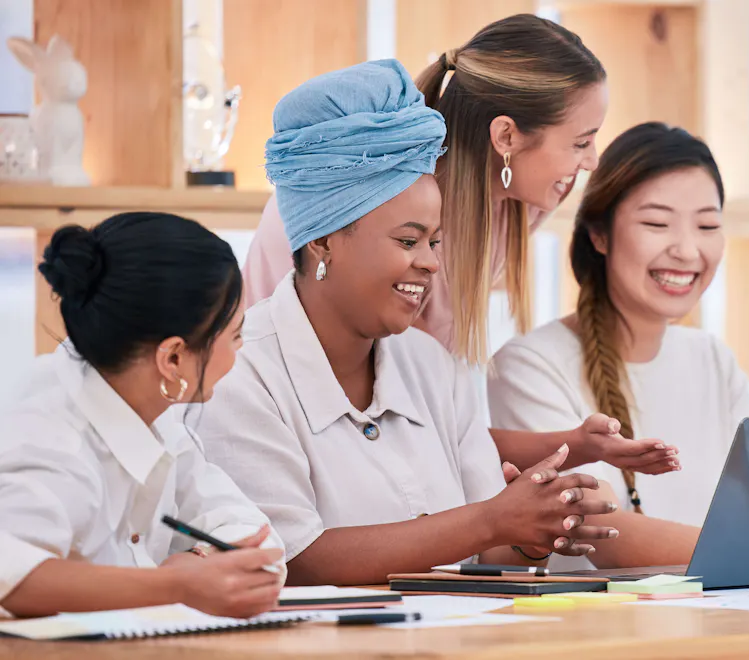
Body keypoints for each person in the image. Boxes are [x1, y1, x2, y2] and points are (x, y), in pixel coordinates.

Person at [197, 59, 619, 587]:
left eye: (434, 241)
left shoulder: (434, 369)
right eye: (407, 240)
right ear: (323, 240)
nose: (431, 262)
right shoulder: (239, 375)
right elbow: (292, 559)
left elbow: (483, 544)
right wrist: (493, 520)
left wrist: (531, 532)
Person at [241, 14, 677, 480]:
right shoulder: (362, 218)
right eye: (580, 142)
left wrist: (574, 447)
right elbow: (408, 426)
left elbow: (436, 422)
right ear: (506, 136)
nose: (591, 162)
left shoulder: (517, 205)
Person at [488, 123, 749, 570]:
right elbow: (598, 530)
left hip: (723, 618)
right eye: (657, 223)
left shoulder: (712, 359)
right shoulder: (528, 366)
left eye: (708, 225)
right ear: (599, 235)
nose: (686, 249)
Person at [0, 212, 285, 619]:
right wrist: (177, 586)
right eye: (236, 334)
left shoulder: (155, 415)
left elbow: (258, 539)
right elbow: (12, 578)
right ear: (172, 357)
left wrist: (199, 562)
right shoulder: (48, 433)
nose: (241, 351)